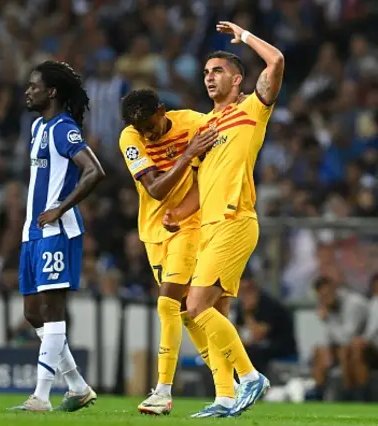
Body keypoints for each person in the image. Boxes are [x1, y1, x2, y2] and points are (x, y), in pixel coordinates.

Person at [164, 21, 284, 417]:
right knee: (215, 313)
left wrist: (245, 37)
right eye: (205, 72)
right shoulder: (205, 126)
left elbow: (277, 60)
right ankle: (224, 397)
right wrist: (178, 213)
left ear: (237, 79)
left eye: (217, 71)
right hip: (208, 226)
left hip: (236, 221)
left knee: (195, 307)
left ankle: (250, 376)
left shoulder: (252, 109)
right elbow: (201, 184)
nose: (209, 78)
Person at [118, 88, 229, 415]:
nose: (148, 134)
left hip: (190, 225)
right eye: (142, 131)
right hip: (154, 231)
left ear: (162, 110)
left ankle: (163, 391)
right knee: (184, 312)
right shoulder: (130, 137)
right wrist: (187, 154)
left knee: (166, 304)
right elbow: (154, 189)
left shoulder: (192, 123)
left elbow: (212, 167)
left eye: (151, 126)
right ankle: (228, 384)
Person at [10, 61, 105, 412]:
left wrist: (61, 209)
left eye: (34, 85)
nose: (27, 90)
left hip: (56, 231)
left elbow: (94, 171)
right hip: (32, 232)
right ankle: (78, 387)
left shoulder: (64, 129)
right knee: (33, 313)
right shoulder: (38, 127)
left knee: (51, 311)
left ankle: (41, 396)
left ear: (51, 92)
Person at [311, 277, 368, 401]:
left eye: (328, 294)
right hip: (348, 346)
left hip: (368, 346)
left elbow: (347, 338)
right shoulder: (328, 307)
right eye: (322, 296)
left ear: (335, 289)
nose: (325, 299)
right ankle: (318, 396)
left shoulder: (354, 303)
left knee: (346, 351)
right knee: (319, 352)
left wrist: (328, 320)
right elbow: (329, 339)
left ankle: (353, 398)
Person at [234, 271, 297, 377]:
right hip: (259, 345)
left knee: (252, 354)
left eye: (247, 290)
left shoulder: (268, 305)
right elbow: (236, 333)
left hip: (281, 345)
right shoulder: (240, 306)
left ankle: (257, 386)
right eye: (241, 291)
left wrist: (248, 313)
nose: (244, 295)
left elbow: (259, 335)